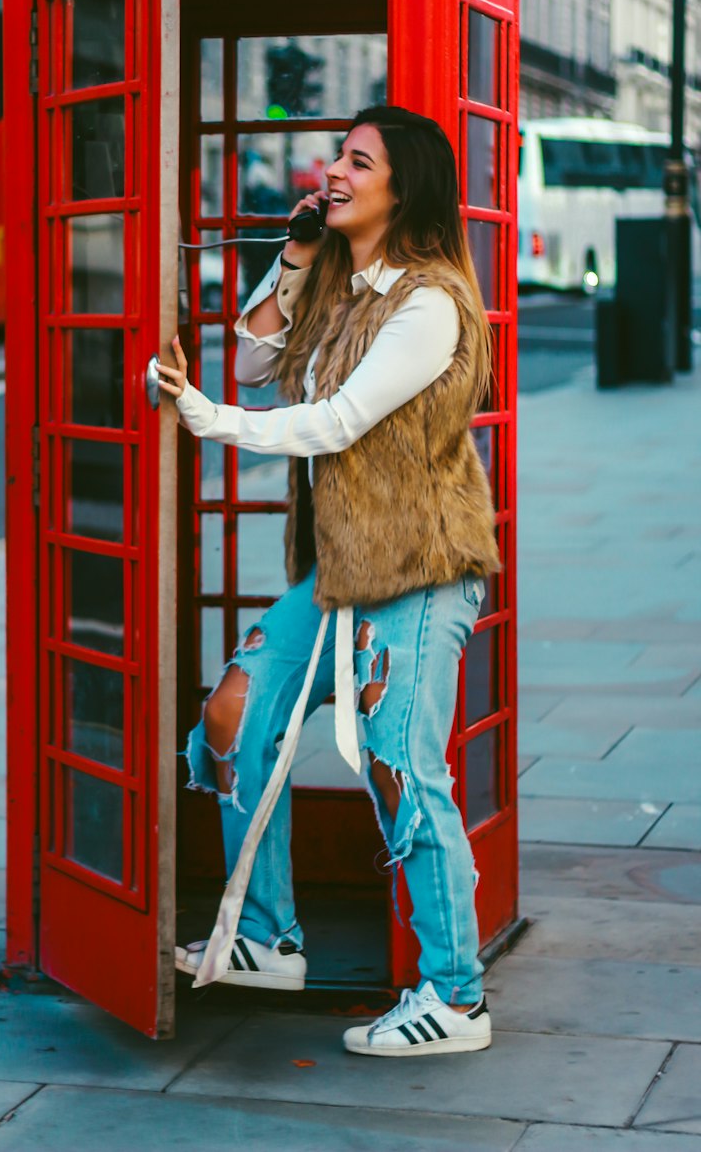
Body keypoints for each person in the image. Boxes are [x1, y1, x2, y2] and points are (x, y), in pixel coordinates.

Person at [155, 105, 501, 1058]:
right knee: (234, 713)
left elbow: (338, 420)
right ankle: (267, 938)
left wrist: (208, 422)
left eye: (360, 162)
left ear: (404, 189)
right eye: (337, 157)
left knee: (399, 763)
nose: (335, 172)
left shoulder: (428, 304)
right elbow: (259, 357)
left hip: (421, 568)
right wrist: (298, 253)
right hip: (342, 566)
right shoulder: (341, 283)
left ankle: (456, 996)